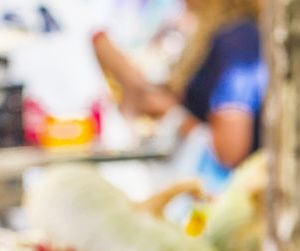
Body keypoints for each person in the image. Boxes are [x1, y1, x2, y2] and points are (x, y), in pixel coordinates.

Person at [92, 0, 264, 177]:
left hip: (214, 188)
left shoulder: (238, 42)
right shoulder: (220, 34)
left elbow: (230, 150)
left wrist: (172, 113)